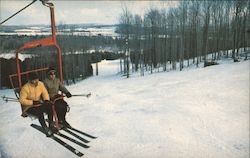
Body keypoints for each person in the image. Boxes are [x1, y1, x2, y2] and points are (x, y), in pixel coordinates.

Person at [19, 72, 54, 137]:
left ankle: (51, 124)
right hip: (29, 107)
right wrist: (32, 102)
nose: (36, 81)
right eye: (34, 80)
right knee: (39, 113)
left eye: (37, 79)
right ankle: (45, 128)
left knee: (50, 106)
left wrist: (46, 100)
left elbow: (45, 92)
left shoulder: (40, 84)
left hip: (38, 104)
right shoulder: (25, 88)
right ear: (30, 80)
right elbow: (21, 100)